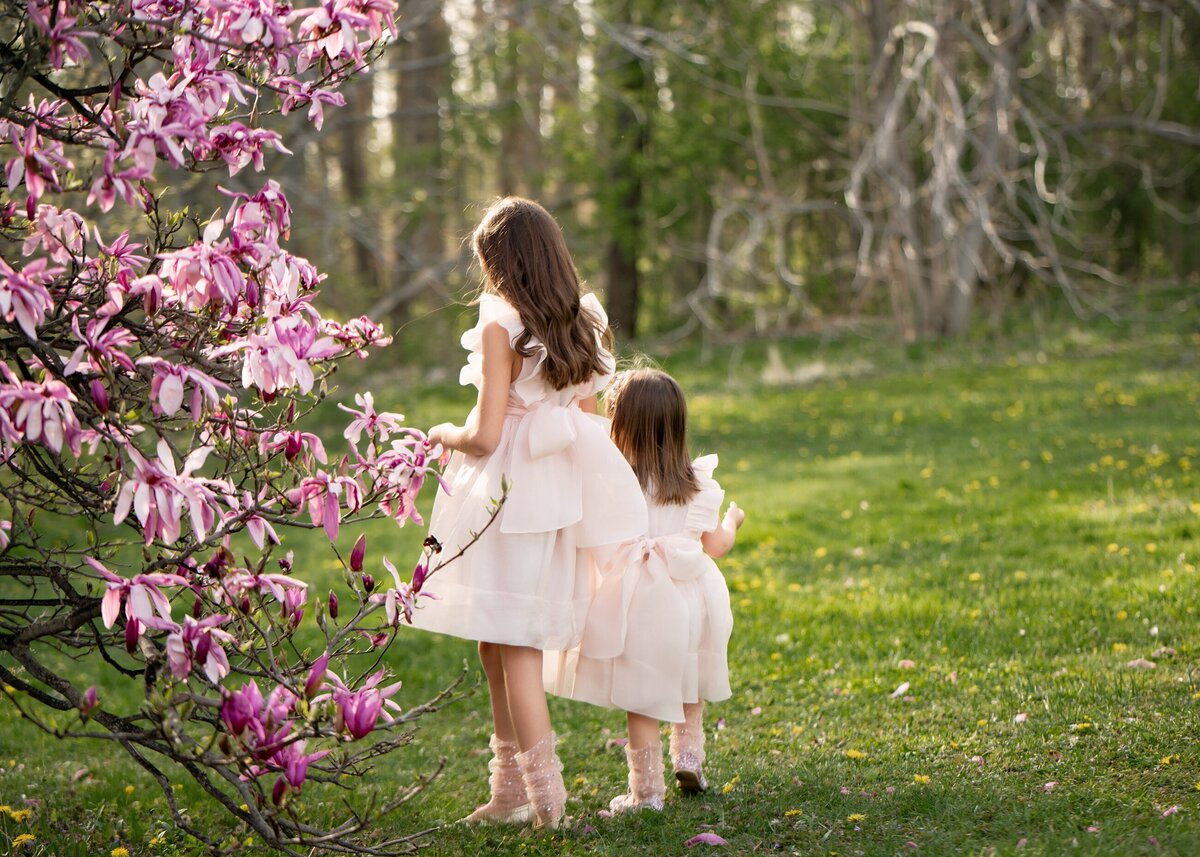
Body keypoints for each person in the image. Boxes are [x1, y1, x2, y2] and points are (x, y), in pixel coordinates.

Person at [416, 197, 647, 830]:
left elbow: (487, 436)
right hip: (559, 483)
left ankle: (548, 801)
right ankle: (508, 788)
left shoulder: (503, 325)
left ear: (498, 263)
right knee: (498, 641)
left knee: (515, 644)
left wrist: (441, 433)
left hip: (510, 489)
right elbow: (589, 418)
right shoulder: (584, 319)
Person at [545, 368, 744, 813]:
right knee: (688, 679)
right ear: (677, 427)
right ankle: (689, 757)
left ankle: (646, 791)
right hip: (694, 600)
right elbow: (717, 545)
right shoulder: (696, 483)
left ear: (619, 427)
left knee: (643, 696)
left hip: (641, 604)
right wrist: (732, 521)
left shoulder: (612, 485)